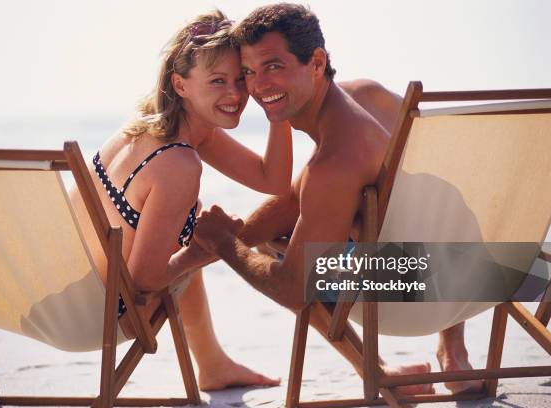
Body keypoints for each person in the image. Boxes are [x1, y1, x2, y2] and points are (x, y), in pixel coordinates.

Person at [172, 3, 483, 395]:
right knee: (304, 234)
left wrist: (225, 244)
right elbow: (295, 200)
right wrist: (215, 245)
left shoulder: (334, 162)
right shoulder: (368, 98)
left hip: (417, 298)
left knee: (283, 256)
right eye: (249, 72)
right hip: (482, 272)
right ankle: (453, 350)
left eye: (273, 66)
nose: (257, 86)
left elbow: (292, 288)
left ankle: (378, 370)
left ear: (316, 62)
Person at [68, 10, 286, 391]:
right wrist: (208, 250)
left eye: (242, 79)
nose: (235, 94)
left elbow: (273, 178)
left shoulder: (143, 128)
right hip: (106, 316)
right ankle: (213, 362)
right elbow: (144, 281)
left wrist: (276, 106)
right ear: (180, 85)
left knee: (188, 223)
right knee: (194, 234)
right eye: (217, 81)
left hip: (62, 299)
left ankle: (212, 363)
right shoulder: (178, 162)